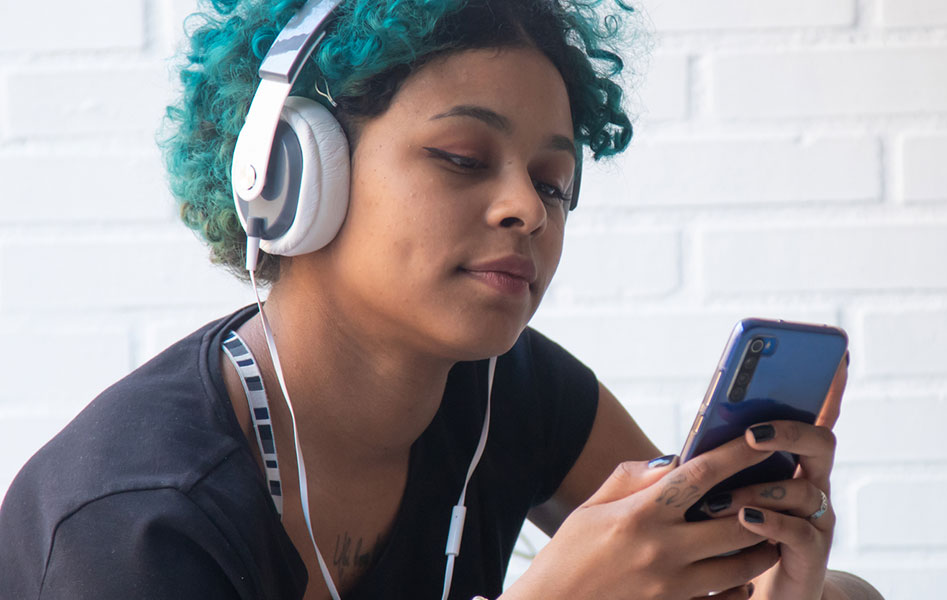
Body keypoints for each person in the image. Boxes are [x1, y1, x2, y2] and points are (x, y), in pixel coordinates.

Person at [0, 1, 881, 599]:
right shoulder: (134, 521)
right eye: (463, 157)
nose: (527, 208)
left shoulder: (506, 386)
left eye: (555, 182)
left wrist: (768, 579)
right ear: (295, 172)